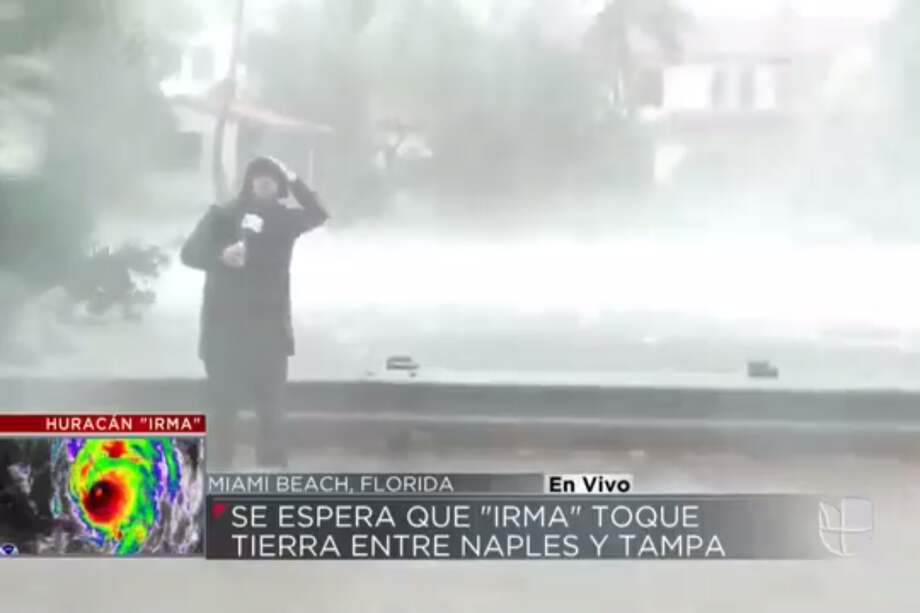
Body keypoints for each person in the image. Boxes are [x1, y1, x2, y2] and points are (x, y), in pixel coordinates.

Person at [181, 156, 328, 469]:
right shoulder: (223, 215)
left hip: (269, 329)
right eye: (258, 176)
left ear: (279, 187)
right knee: (222, 408)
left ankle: (271, 477)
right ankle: (218, 472)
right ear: (248, 182)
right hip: (224, 328)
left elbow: (319, 213)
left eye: (272, 178)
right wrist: (220, 255)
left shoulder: (284, 220)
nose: (265, 182)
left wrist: (294, 176)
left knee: (272, 410)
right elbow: (189, 253)